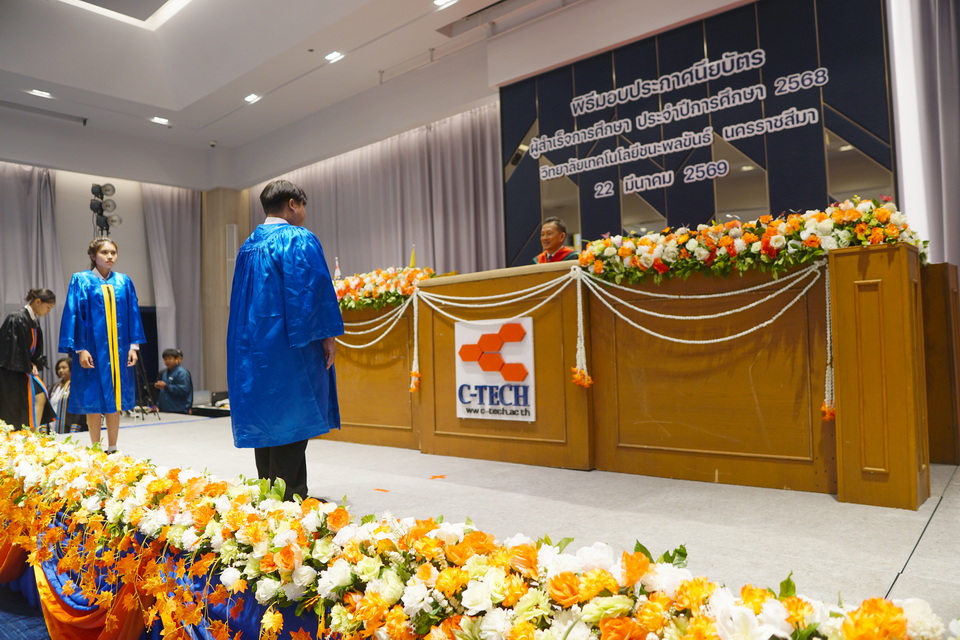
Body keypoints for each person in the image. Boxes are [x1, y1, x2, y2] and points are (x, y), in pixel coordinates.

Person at [227, 179, 343, 502]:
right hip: (290, 344)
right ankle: (290, 498)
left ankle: (269, 492)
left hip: (252, 347)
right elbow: (310, 291)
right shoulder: (297, 238)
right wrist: (327, 335)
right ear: (292, 203)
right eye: (303, 205)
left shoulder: (248, 246)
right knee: (293, 414)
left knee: (268, 417)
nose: (304, 212)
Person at [59, 238, 146, 453]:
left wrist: (134, 346)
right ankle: (96, 447)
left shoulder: (124, 281)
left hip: (119, 350)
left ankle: (113, 446)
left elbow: (133, 313)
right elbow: (74, 314)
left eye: (113, 252)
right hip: (92, 349)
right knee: (93, 397)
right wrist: (80, 349)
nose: (110, 256)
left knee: (116, 396)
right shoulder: (81, 280)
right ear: (92, 255)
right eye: (104, 252)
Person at [0, 288, 57, 431]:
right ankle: (27, 434)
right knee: (15, 407)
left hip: (24, 368)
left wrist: (34, 362)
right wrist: (27, 365)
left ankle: (32, 433)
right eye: (48, 307)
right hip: (12, 371)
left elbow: (34, 349)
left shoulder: (33, 320)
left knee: (40, 395)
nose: (49, 311)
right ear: (38, 302)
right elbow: (12, 349)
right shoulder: (16, 318)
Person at [48, 356, 87, 434]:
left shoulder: (77, 386)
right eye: (59, 368)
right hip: (53, 427)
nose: (60, 370)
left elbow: (79, 409)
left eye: (64, 368)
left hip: (70, 428)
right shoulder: (55, 387)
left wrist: (74, 429)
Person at [154, 348, 193, 414]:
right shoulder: (164, 373)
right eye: (165, 359)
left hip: (178, 410)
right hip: (165, 409)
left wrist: (166, 386)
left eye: (170, 359)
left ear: (176, 359)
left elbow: (184, 390)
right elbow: (161, 393)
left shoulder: (182, 373)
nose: (167, 361)